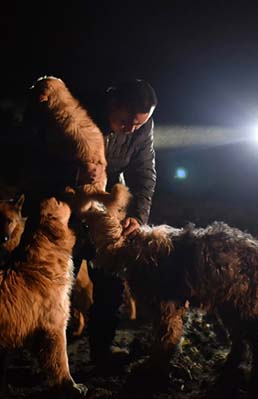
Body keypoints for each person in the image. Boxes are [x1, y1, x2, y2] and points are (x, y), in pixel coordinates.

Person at [84, 79, 157, 365]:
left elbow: (143, 172)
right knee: (59, 280)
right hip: (70, 201)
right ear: (112, 105)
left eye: (139, 125)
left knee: (111, 281)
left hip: (109, 205)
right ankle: (50, 356)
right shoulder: (81, 115)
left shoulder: (140, 128)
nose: (131, 129)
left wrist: (137, 216)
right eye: (126, 122)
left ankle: (101, 351)